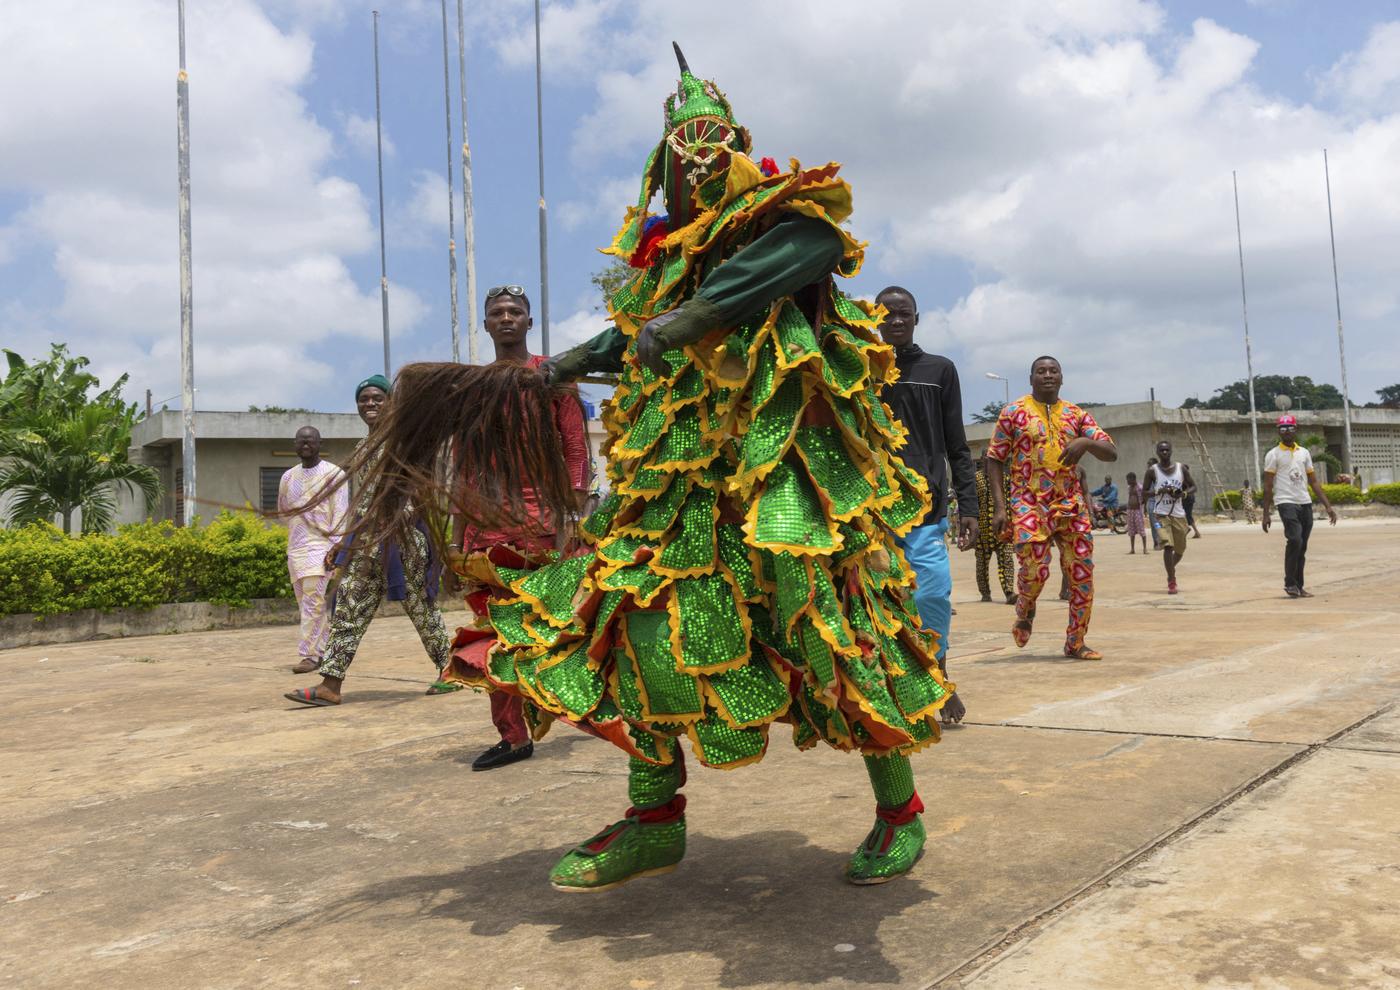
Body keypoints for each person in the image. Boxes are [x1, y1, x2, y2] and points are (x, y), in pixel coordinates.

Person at [355, 44, 956, 891]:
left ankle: (900, 812)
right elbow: (628, 332)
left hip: (786, 483)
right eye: (686, 146)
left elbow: (812, 248)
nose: (703, 156)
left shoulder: (782, 221)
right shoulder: (664, 261)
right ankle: (653, 818)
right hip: (686, 493)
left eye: (716, 138)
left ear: (741, 145)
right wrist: (559, 367)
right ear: (662, 170)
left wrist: (693, 320)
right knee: (632, 629)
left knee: (829, 631)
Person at [446, 285, 593, 771]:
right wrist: (458, 533)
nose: (506, 318)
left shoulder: (553, 376)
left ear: (530, 322)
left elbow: (575, 447)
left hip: (540, 518)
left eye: (515, 312)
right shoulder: (473, 386)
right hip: (486, 525)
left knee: (550, 624)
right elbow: (465, 464)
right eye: (497, 313)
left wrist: (572, 512)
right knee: (494, 629)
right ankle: (513, 737)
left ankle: (584, 710)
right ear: (486, 325)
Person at [283, 375, 453, 707]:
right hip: (370, 542)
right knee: (348, 603)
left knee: (421, 608)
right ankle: (330, 684)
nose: (370, 404)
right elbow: (364, 502)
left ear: (391, 403)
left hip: (405, 542)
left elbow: (423, 485)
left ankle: (449, 670)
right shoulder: (364, 446)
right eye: (364, 399)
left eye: (377, 398)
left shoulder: (406, 440)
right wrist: (345, 541)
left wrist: (403, 514)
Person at [874, 285, 977, 725]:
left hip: (926, 506)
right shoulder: (860, 369)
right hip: (871, 509)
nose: (896, 321)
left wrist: (969, 505)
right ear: (876, 320)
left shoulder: (940, 370)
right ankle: (889, 690)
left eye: (904, 314)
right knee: (878, 603)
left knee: (932, 592)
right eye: (888, 315)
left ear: (917, 318)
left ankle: (938, 672)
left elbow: (957, 443)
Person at [987, 356, 1117, 660]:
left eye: (1053, 371)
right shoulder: (1014, 413)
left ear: (1062, 378)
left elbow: (1110, 452)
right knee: (1035, 571)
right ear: (1031, 378)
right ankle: (1025, 606)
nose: (1047, 375)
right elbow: (994, 458)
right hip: (1029, 504)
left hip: (1070, 505)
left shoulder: (1076, 414)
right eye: (1041, 371)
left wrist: (1085, 442)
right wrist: (1000, 507)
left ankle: (1076, 642)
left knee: (1081, 574)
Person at [281, 426, 349, 674]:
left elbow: (341, 514)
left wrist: (335, 549)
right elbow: (283, 510)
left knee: (312, 601)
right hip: (296, 549)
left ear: (320, 443)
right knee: (308, 603)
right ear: (295, 445)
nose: (306, 444)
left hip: (322, 549)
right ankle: (324, 650)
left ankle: (310, 655)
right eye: (301, 441)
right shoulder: (287, 477)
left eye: (311, 441)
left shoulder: (335, 475)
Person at [1262, 414, 1337, 597]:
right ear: (1278, 431)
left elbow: (1313, 482)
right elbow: (1268, 485)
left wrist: (1328, 506)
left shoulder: (1304, 453)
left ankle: (1298, 586)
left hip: (1305, 502)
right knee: (1294, 539)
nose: (1287, 432)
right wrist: (1266, 513)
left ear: (1296, 430)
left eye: (1290, 428)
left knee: (1302, 546)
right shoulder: (1273, 455)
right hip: (1285, 502)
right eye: (1283, 428)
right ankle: (1290, 583)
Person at [1144, 440, 1195, 595]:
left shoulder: (1181, 469)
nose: (1164, 452)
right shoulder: (1152, 471)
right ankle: (1171, 580)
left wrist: (1182, 493)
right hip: (1160, 515)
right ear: (1157, 452)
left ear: (1171, 451)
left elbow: (1194, 486)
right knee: (1168, 545)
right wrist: (1159, 491)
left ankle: (1170, 569)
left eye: (1167, 450)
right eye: (1161, 450)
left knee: (1180, 550)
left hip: (1178, 514)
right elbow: (1144, 493)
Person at [974, 455, 1015, 604]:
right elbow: (972, 503)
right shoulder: (976, 479)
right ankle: (985, 593)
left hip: (1003, 528)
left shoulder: (1004, 478)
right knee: (982, 564)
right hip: (982, 530)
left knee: (1007, 560)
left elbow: (1010, 502)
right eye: (987, 458)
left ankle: (1009, 592)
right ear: (983, 460)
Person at [1124, 471, 1147, 554]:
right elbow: (1130, 497)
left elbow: (1144, 499)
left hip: (1137, 511)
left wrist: (1144, 510)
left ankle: (1145, 548)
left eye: (1128, 480)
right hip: (1130, 511)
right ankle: (1132, 549)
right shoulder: (1129, 488)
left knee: (1141, 529)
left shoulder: (1139, 487)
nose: (1127, 481)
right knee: (1131, 530)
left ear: (1133, 479)